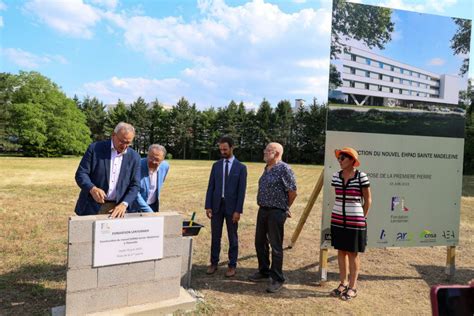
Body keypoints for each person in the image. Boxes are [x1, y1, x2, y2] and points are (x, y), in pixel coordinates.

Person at [249, 142, 297, 293]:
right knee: (259, 242)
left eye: (267, 150)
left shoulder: (284, 169)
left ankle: (277, 278)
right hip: (263, 210)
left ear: (276, 153)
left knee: (276, 246)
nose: (264, 151)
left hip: (276, 212)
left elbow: (292, 192)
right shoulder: (267, 168)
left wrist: (285, 207)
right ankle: (264, 271)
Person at [329, 147, 372, 301]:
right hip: (338, 219)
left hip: (356, 221)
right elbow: (339, 197)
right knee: (341, 251)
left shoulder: (362, 177)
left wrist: (362, 217)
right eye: (339, 159)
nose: (339, 161)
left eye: (343, 158)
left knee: (353, 254)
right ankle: (343, 283)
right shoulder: (335, 176)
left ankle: (353, 287)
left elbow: (368, 200)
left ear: (352, 160)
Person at [74, 122, 141, 218]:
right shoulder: (95, 148)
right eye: (122, 141)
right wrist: (92, 189)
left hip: (119, 209)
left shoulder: (135, 157)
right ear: (113, 135)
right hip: (91, 207)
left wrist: (124, 204)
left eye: (128, 143)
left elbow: (135, 185)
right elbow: (81, 174)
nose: (124, 146)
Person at [205, 136, 247, 277]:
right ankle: (214, 263)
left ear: (232, 147)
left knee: (232, 237)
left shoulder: (241, 168)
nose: (222, 151)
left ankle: (232, 265)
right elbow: (211, 187)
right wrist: (208, 206)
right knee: (215, 236)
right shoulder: (216, 166)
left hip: (232, 209)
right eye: (220, 149)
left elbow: (242, 191)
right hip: (216, 207)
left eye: (225, 149)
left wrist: (238, 210)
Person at [130, 144, 169, 213]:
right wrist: (148, 211)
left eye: (157, 159)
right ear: (147, 155)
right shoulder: (137, 165)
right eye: (151, 158)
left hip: (153, 206)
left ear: (163, 159)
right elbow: (135, 192)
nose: (153, 162)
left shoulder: (165, 166)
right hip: (135, 208)